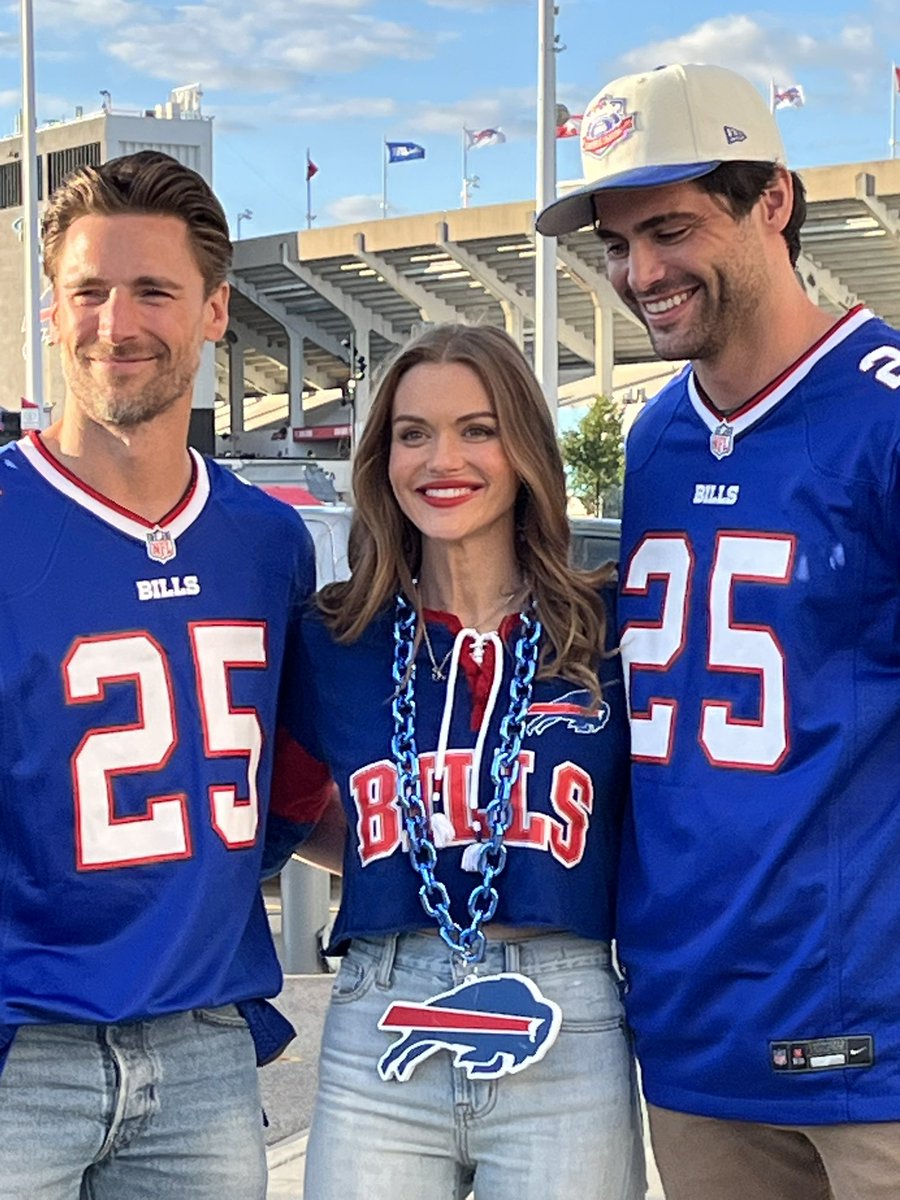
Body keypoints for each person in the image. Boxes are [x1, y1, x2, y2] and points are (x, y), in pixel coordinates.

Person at [537, 62, 900, 1199]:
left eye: (672, 228)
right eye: (617, 242)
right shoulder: (656, 438)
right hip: (693, 1033)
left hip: (872, 1044)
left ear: (774, 202)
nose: (641, 272)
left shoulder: (884, 412)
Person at [0, 150, 331, 1199]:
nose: (117, 322)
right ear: (50, 311)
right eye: (89, 291)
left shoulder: (265, 543)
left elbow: (285, 790)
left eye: (154, 290)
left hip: (201, 1054)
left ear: (215, 311)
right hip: (18, 1053)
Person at [284, 323, 645, 1200]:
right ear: (383, 458)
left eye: (477, 429)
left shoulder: (610, 633)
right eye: (413, 433)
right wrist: (406, 845)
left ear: (523, 447)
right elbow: (295, 810)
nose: (442, 458)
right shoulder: (336, 639)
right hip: (386, 1011)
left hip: (565, 1013)